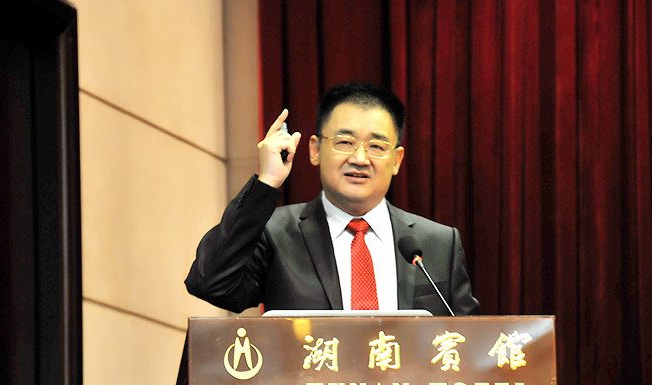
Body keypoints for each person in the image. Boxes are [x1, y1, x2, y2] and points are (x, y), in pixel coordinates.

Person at [185, 81, 479, 316]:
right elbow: (210, 284)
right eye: (345, 142)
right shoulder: (275, 232)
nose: (360, 158)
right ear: (314, 150)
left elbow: (470, 342)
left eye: (377, 146)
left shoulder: (438, 244)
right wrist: (267, 183)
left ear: (397, 160)